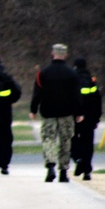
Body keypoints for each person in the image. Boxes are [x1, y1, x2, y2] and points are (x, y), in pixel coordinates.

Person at [30, 43, 84, 183]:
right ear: (65, 55)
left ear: (52, 54)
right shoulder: (72, 74)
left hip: (48, 112)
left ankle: (50, 167)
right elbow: (76, 95)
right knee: (65, 141)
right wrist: (79, 112)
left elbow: (37, 93)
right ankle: (64, 172)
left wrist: (33, 109)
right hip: (66, 113)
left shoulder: (42, 73)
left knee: (49, 140)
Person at [71, 57, 102, 181]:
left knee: (72, 140)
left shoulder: (71, 80)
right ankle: (87, 171)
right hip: (89, 118)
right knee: (88, 143)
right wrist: (96, 118)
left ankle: (78, 159)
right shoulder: (91, 81)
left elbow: (69, 99)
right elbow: (97, 101)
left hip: (74, 116)